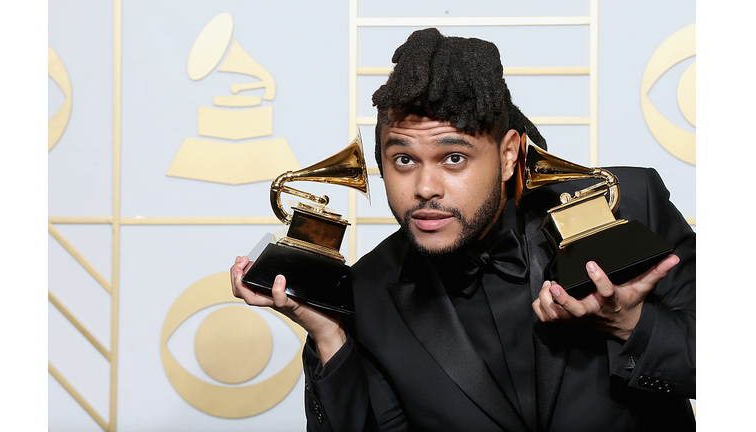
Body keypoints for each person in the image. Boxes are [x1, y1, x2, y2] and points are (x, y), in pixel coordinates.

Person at [230, 28, 695, 431]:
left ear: (509, 153)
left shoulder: (624, 204)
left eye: (454, 158)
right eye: (403, 160)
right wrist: (329, 336)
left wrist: (629, 323)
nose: (425, 187)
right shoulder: (368, 291)